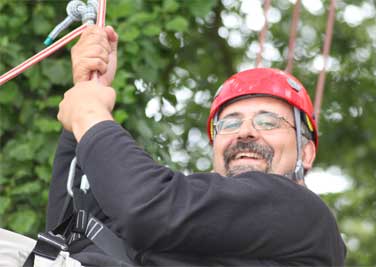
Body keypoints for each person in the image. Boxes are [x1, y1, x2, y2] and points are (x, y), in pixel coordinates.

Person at [46, 25, 346, 266]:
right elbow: (73, 231)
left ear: (306, 152)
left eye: (268, 122)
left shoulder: (302, 213)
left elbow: (146, 208)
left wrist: (89, 113)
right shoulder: (193, 226)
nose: (245, 132)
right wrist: (87, 94)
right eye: (230, 123)